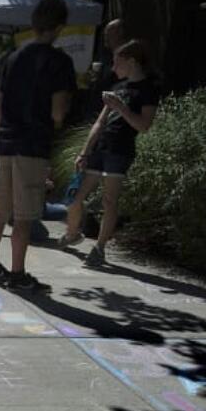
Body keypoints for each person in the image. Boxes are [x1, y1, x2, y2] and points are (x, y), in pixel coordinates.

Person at [0, 0, 74, 294]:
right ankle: (18, 273)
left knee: (0, 211)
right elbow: (57, 112)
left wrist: (2, 139)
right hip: (32, 145)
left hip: (6, 142)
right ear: (59, 26)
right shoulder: (59, 61)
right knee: (24, 216)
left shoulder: (13, 57)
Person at [61, 39, 159, 267]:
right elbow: (99, 122)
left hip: (120, 150)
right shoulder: (118, 88)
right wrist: (84, 151)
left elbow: (144, 126)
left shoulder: (148, 89)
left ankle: (99, 248)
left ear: (132, 62)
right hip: (100, 148)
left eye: (117, 63)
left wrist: (121, 107)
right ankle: (73, 233)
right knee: (75, 197)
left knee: (109, 201)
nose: (113, 68)